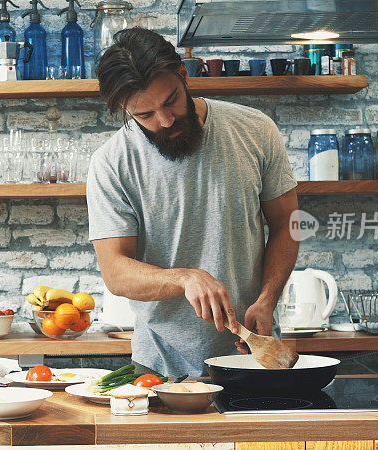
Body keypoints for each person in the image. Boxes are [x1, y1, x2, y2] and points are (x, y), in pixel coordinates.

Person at [87, 28, 300, 376]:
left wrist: (267, 299)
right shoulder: (111, 163)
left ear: (185, 76)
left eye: (171, 101)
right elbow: (115, 271)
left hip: (249, 357)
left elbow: (288, 224)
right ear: (125, 110)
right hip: (157, 365)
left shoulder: (256, 130)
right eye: (145, 115)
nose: (165, 121)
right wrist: (184, 278)